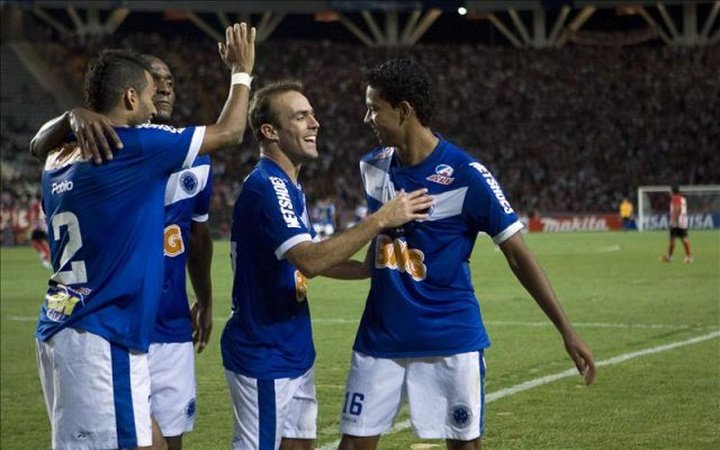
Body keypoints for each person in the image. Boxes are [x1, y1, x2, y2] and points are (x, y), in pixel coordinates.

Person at [337, 57, 596, 450]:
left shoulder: (467, 174)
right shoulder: (372, 167)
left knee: (464, 447)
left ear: (404, 111)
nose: (366, 117)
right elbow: (384, 245)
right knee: (353, 445)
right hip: (381, 336)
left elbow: (517, 255)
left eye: (374, 107)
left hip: (451, 338)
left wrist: (567, 330)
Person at [33, 23, 255, 450]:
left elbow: (37, 144)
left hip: (74, 322)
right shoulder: (135, 145)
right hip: (100, 334)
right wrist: (241, 71)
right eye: (151, 96)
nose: (156, 107)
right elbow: (229, 132)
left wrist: (68, 116)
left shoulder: (57, 155)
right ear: (131, 97)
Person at [220, 80, 433, 450]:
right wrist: (381, 219)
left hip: (294, 348)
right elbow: (310, 260)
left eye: (313, 114)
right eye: (301, 117)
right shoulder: (267, 186)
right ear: (269, 131)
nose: (315, 123)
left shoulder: (289, 186)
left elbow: (306, 258)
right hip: (263, 352)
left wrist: (367, 267)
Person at [661, 185, 693, 263]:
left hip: (677, 222)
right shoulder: (683, 199)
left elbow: (677, 208)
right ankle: (689, 257)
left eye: (670, 191)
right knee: (684, 238)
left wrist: (674, 220)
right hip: (683, 221)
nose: (669, 192)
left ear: (673, 191)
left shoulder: (675, 198)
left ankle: (669, 257)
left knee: (672, 239)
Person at [27, 194, 52, 269]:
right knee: (42, 242)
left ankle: (44, 256)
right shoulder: (44, 204)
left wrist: (32, 226)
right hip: (44, 226)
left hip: (38, 227)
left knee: (35, 242)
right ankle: (44, 256)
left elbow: (34, 216)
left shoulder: (35, 205)